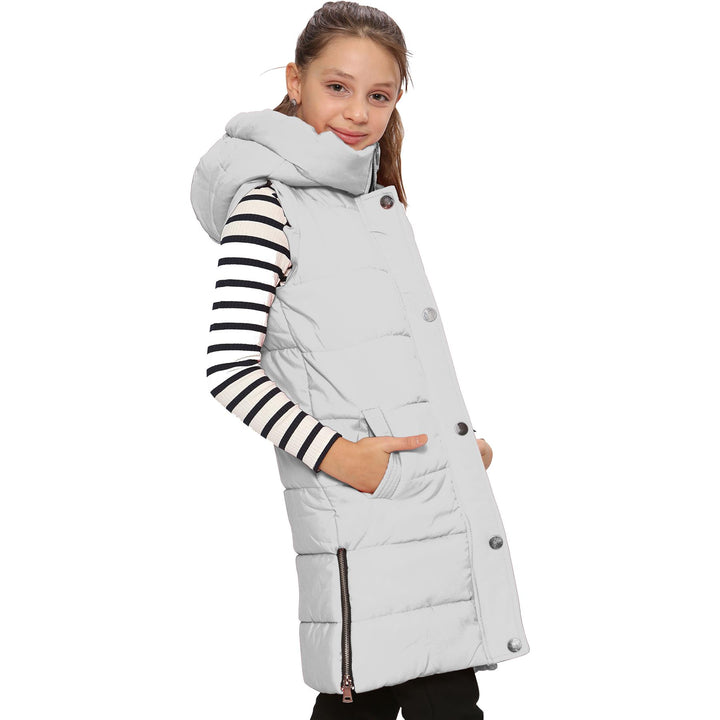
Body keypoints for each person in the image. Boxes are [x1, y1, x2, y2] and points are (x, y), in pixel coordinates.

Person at [190, 2, 530, 718]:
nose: (358, 112)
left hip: (427, 503)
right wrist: (344, 458)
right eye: (337, 87)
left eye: (379, 95)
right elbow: (228, 367)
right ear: (296, 81)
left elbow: (381, 364)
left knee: (441, 696)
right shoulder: (266, 205)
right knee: (366, 700)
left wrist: (456, 447)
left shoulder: (371, 205)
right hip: (358, 512)